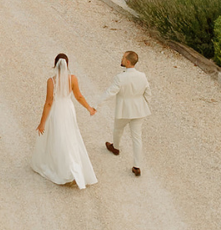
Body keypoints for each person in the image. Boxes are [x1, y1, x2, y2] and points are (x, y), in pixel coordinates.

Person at [31, 54, 98, 189]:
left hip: (57, 111)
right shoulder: (72, 79)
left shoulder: (51, 81)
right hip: (68, 110)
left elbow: (49, 103)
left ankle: (63, 168)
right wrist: (89, 108)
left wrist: (42, 123)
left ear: (55, 65)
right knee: (71, 137)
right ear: (67, 65)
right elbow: (78, 96)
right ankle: (74, 168)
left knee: (59, 137)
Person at [102, 50, 152, 177]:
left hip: (124, 110)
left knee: (118, 129)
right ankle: (137, 166)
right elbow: (148, 94)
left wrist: (97, 104)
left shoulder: (120, 77)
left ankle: (116, 147)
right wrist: (144, 105)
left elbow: (110, 92)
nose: (122, 59)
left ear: (128, 62)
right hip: (139, 110)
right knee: (137, 138)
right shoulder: (142, 76)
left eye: (123, 58)